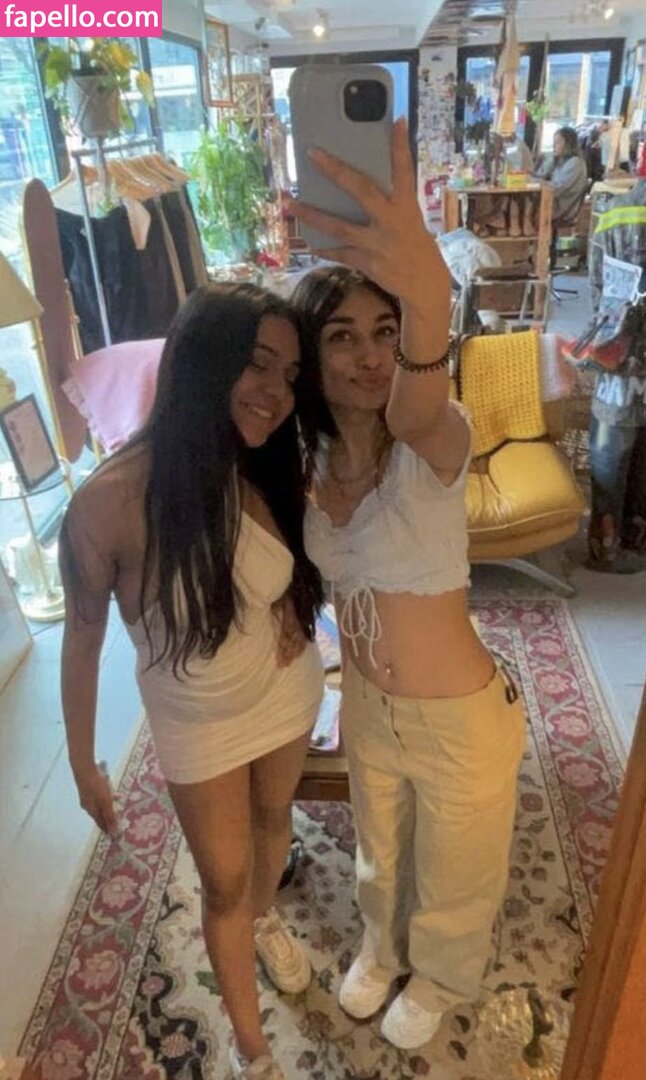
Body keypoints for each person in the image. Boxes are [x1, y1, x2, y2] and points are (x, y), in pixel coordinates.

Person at [290, 119, 526, 1050]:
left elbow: (419, 392)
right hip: (366, 705)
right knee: (380, 853)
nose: (369, 355)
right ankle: (382, 949)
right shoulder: (307, 460)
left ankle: (440, 971)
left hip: (458, 713)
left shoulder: (435, 435)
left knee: (458, 872)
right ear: (311, 355)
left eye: (385, 332)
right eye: (342, 336)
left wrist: (427, 296)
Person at [59, 283, 325, 1080]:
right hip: (198, 723)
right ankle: (253, 1050)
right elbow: (81, 638)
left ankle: (267, 920)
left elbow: (287, 570)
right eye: (257, 364)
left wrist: (291, 612)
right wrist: (82, 761)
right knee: (223, 881)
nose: (276, 392)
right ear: (203, 363)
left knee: (274, 822)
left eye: (290, 375)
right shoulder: (106, 503)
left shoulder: (263, 462)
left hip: (285, 692)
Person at [586, 178, 646, 572]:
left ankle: (605, 547)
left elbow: (596, 288)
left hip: (619, 359)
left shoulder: (612, 213)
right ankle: (635, 537)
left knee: (610, 448)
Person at [534, 126, 588, 225]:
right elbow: (540, 175)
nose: (554, 145)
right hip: (555, 202)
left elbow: (556, 189)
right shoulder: (560, 160)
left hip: (563, 207)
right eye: (554, 142)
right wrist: (549, 161)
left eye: (558, 142)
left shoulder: (575, 162)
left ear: (568, 144)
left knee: (523, 202)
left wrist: (534, 181)